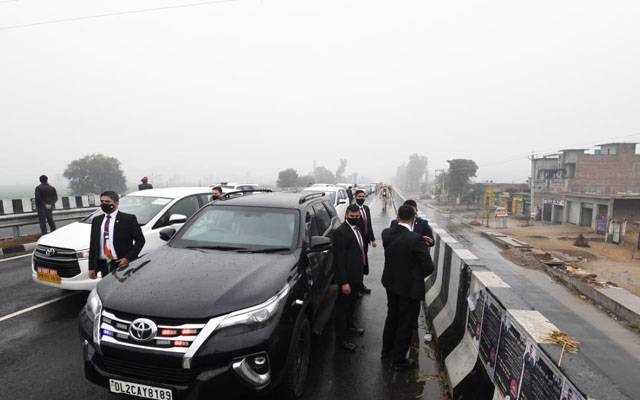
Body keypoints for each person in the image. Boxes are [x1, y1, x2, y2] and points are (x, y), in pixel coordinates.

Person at [381, 205, 434, 370]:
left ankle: (386, 352)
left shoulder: (386, 233)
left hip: (391, 283)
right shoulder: (416, 240)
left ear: (397, 216)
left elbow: (399, 242)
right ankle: (399, 361)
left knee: (392, 318)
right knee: (405, 323)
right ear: (414, 218)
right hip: (409, 288)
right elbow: (428, 268)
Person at [332, 204, 368, 351]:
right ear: (346, 215)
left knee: (352, 305)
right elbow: (339, 259)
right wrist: (344, 282)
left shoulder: (356, 228)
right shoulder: (341, 232)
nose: (355, 219)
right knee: (342, 309)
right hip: (347, 278)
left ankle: (350, 326)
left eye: (357, 216)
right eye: (352, 217)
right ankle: (341, 340)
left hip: (356, 276)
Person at [88, 191, 145, 279]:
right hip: (103, 263)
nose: (104, 204)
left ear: (116, 203)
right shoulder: (96, 220)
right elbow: (93, 244)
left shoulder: (128, 219)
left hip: (121, 263)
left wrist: (127, 258)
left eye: (107, 202)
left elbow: (140, 240)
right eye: (102, 201)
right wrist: (91, 267)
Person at [354, 189, 376, 294]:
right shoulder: (352, 210)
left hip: (365, 240)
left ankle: (360, 284)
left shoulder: (366, 208)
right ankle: (356, 286)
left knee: (363, 262)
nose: (361, 198)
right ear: (355, 197)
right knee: (357, 264)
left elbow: (369, 224)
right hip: (356, 241)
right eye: (359, 197)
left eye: (363, 196)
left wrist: (372, 239)